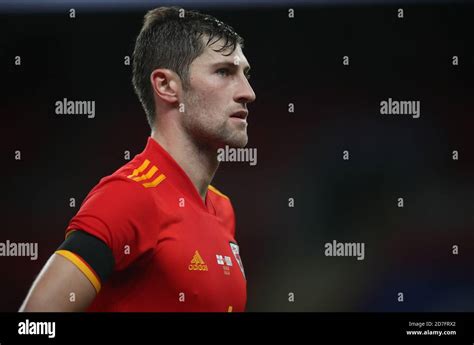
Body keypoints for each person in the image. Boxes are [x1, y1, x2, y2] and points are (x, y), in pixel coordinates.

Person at [19, 6, 256, 312]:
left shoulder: (222, 209)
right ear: (167, 86)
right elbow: (35, 322)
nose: (248, 92)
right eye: (224, 72)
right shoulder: (129, 196)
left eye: (245, 75)